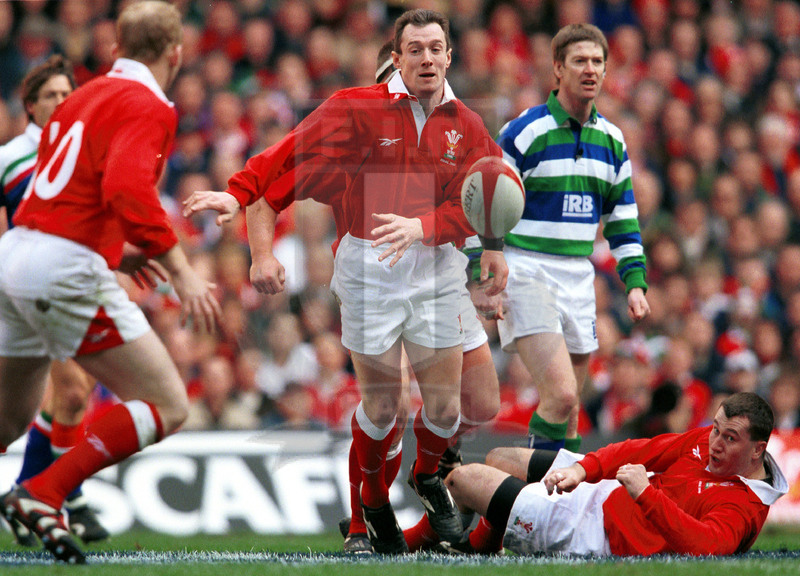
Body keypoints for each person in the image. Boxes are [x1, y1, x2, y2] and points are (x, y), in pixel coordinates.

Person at [183, 9, 507, 554]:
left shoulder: (467, 124)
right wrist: (238, 197)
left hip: (434, 265)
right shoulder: (356, 114)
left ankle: (426, 479)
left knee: (450, 408)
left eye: (436, 48)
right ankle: (372, 507)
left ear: (449, 56)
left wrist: (479, 247)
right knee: (383, 408)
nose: (426, 58)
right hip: (370, 270)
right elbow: (284, 161)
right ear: (395, 60)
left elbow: (485, 198)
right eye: (414, 50)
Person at [0, 1, 221, 564]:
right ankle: (43, 494)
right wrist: (182, 270)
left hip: (15, 257)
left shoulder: (80, 97)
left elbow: (66, 192)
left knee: (5, 421)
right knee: (168, 405)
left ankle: (40, 494)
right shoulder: (147, 103)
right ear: (176, 53)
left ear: (116, 47)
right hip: (62, 268)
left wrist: (114, 253)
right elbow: (127, 189)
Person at [494, 23, 650, 452]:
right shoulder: (524, 132)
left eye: (598, 61)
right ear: (557, 69)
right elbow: (483, 204)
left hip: (578, 275)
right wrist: (480, 272)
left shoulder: (613, 140)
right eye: (580, 61)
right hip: (525, 269)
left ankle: (550, 509)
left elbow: (622, 218)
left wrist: (634, 281)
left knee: (570, 407)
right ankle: (520, 500)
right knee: (561, 395)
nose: (590, 69)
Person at [440, 392, 787, 557]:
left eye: (730, 438)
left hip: (594, 536)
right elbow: (640, 450)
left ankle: (467, 541)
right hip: (608, 491)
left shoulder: (744, 507)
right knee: (499, 456)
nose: (716, 442)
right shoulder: (705, 439)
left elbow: (705, 546)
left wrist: (645, 494)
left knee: (461, 479)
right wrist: (582, 469)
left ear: (758, 449)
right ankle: (483, 544)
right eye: (715, 429)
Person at [0, 55, 111, 547]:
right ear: (30, 107)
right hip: (17, 291)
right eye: (52, 96)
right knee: (41, 402)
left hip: (64, 288)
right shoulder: (10, 158)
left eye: (69, 95)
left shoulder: (80, 154)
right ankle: (60, 495)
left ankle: (36, 493)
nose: (63, 103)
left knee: (70, 394)